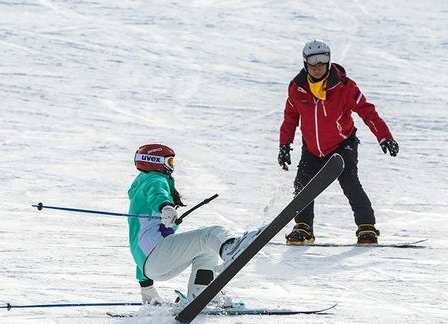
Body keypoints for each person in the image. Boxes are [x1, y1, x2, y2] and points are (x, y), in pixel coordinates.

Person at [278, 40, 399, 245]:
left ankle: (366, 227)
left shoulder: (345, 86)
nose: (317, 67)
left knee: (350, 184)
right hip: (312, 149)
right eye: (313, 63)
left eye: (322, 62)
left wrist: (385, 137)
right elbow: (290, 118)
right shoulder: (297, 89)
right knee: (302, 186)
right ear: (305, 64)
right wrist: (284, 146)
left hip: (342, 145)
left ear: (329, 61)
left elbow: (367, 112)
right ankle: (303, 226)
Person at [128, 144, 257, 305]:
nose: (172, 167)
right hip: (156, 256)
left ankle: (201, 294)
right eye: (170, 162)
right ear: (155, 161)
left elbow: (140, 247)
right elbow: (157, 194)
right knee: (210, 234)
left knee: (207, 249)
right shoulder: (154, 179)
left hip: (151, 264)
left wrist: (147, 289)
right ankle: (230, 249)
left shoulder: (141, 192)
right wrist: (165, 206)